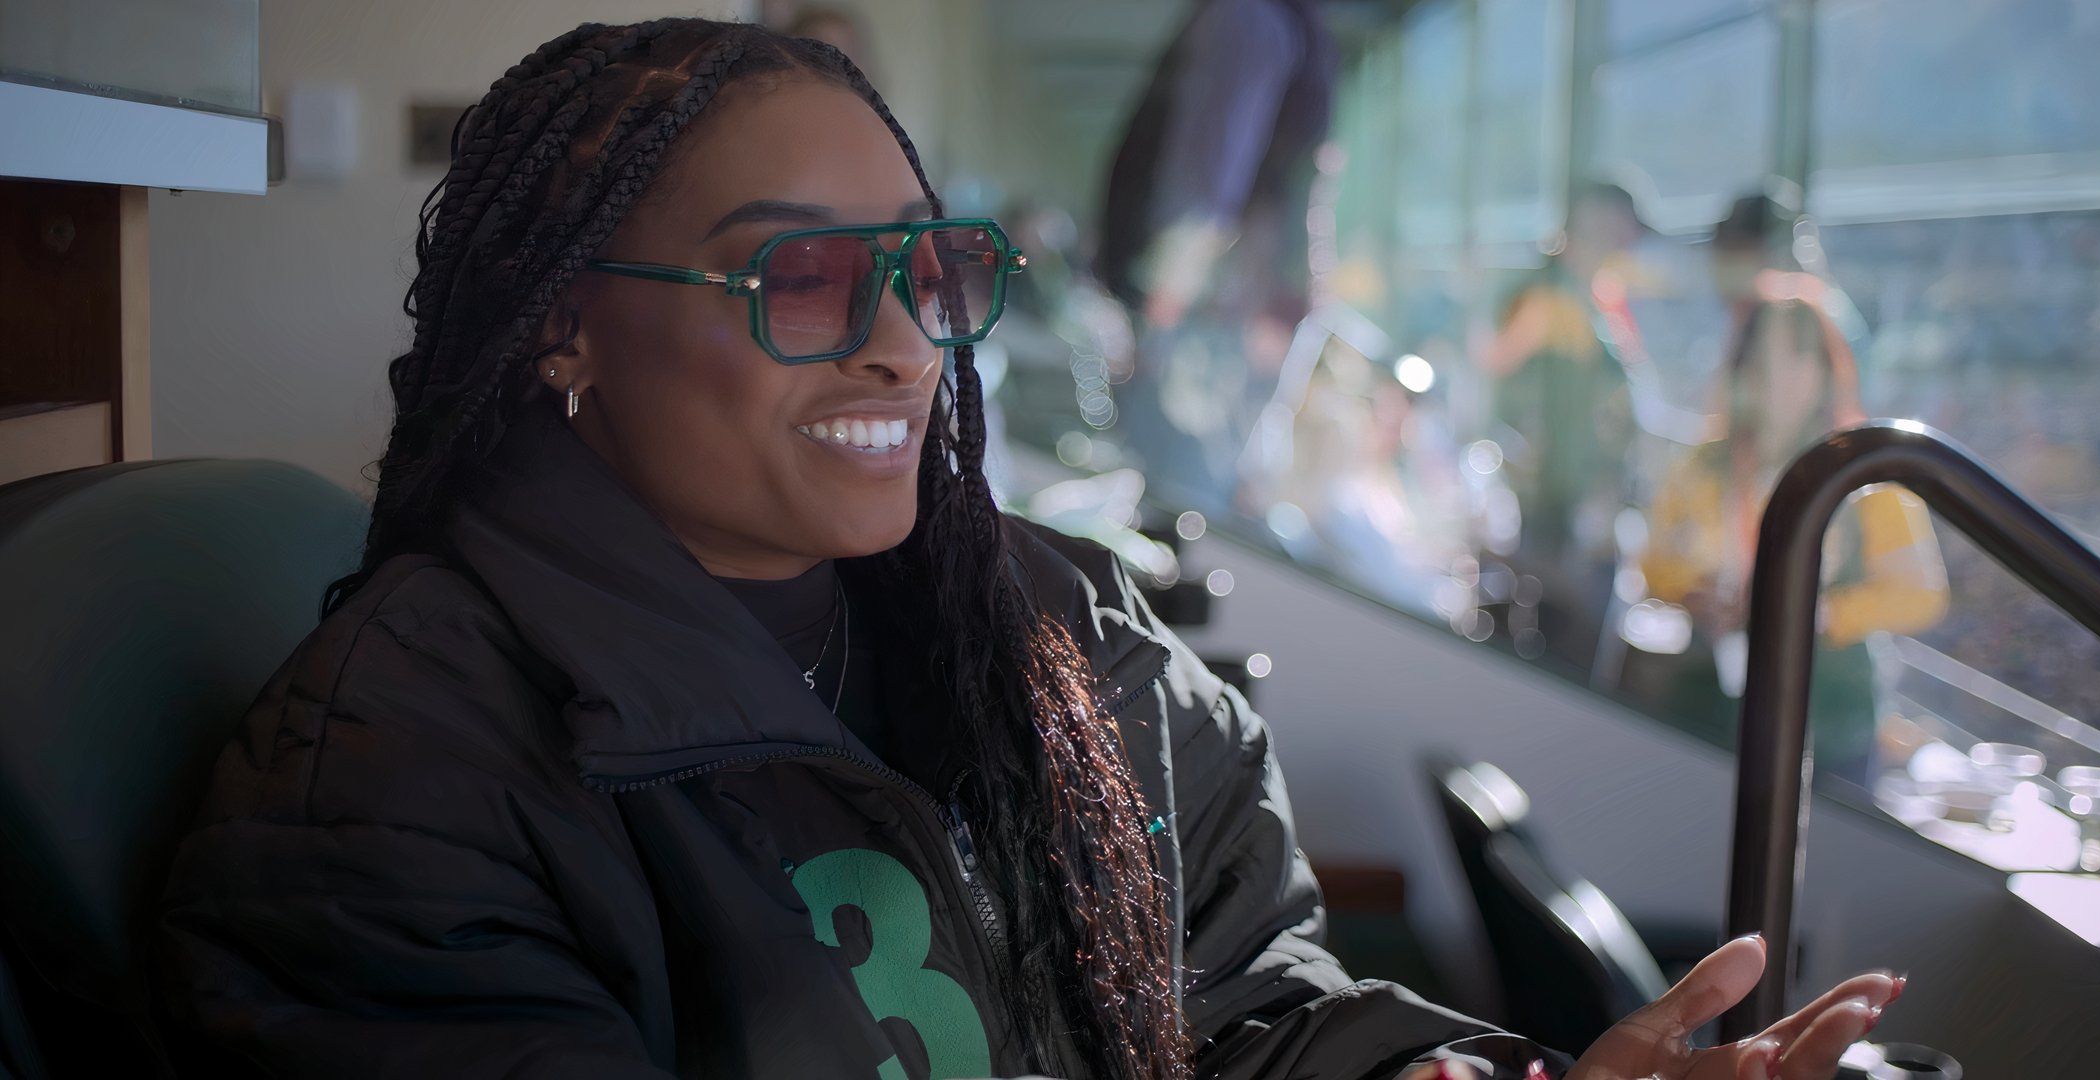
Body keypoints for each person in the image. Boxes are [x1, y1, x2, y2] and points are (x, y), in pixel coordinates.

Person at [155, 21, 1900, 1079]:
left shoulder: (1062, 641)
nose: (907, 342)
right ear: (564, 335)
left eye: (929, 269)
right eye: (802, 278)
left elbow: (1246, 1017)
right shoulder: (394, 789)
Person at [1640, 195, 1948, 784]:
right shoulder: (1703, 465)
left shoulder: (1864, 478)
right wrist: (1692, 593)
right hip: (1711, 702)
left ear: (1825, 371)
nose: (1776, 380)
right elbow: (1654, 563)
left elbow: (1922, 594)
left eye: (1794, 361)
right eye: (1761, 362)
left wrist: (1823, 613)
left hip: (1829, 717)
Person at [1096, 0, 1339, 513]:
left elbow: (1208, 173)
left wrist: (1167, 295)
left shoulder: (1250, 17)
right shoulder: (1293, 28)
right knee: (1204, 483)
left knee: (1178, 492)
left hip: (1211, 311)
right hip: (1238, 308)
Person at [1483, 183, 1650, 673]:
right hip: (1555, 520)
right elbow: (1507, 392)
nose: (1627, 242)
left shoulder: (1591, 298)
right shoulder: (1546, 299)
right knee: (1560, 655)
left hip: (1581, 516)